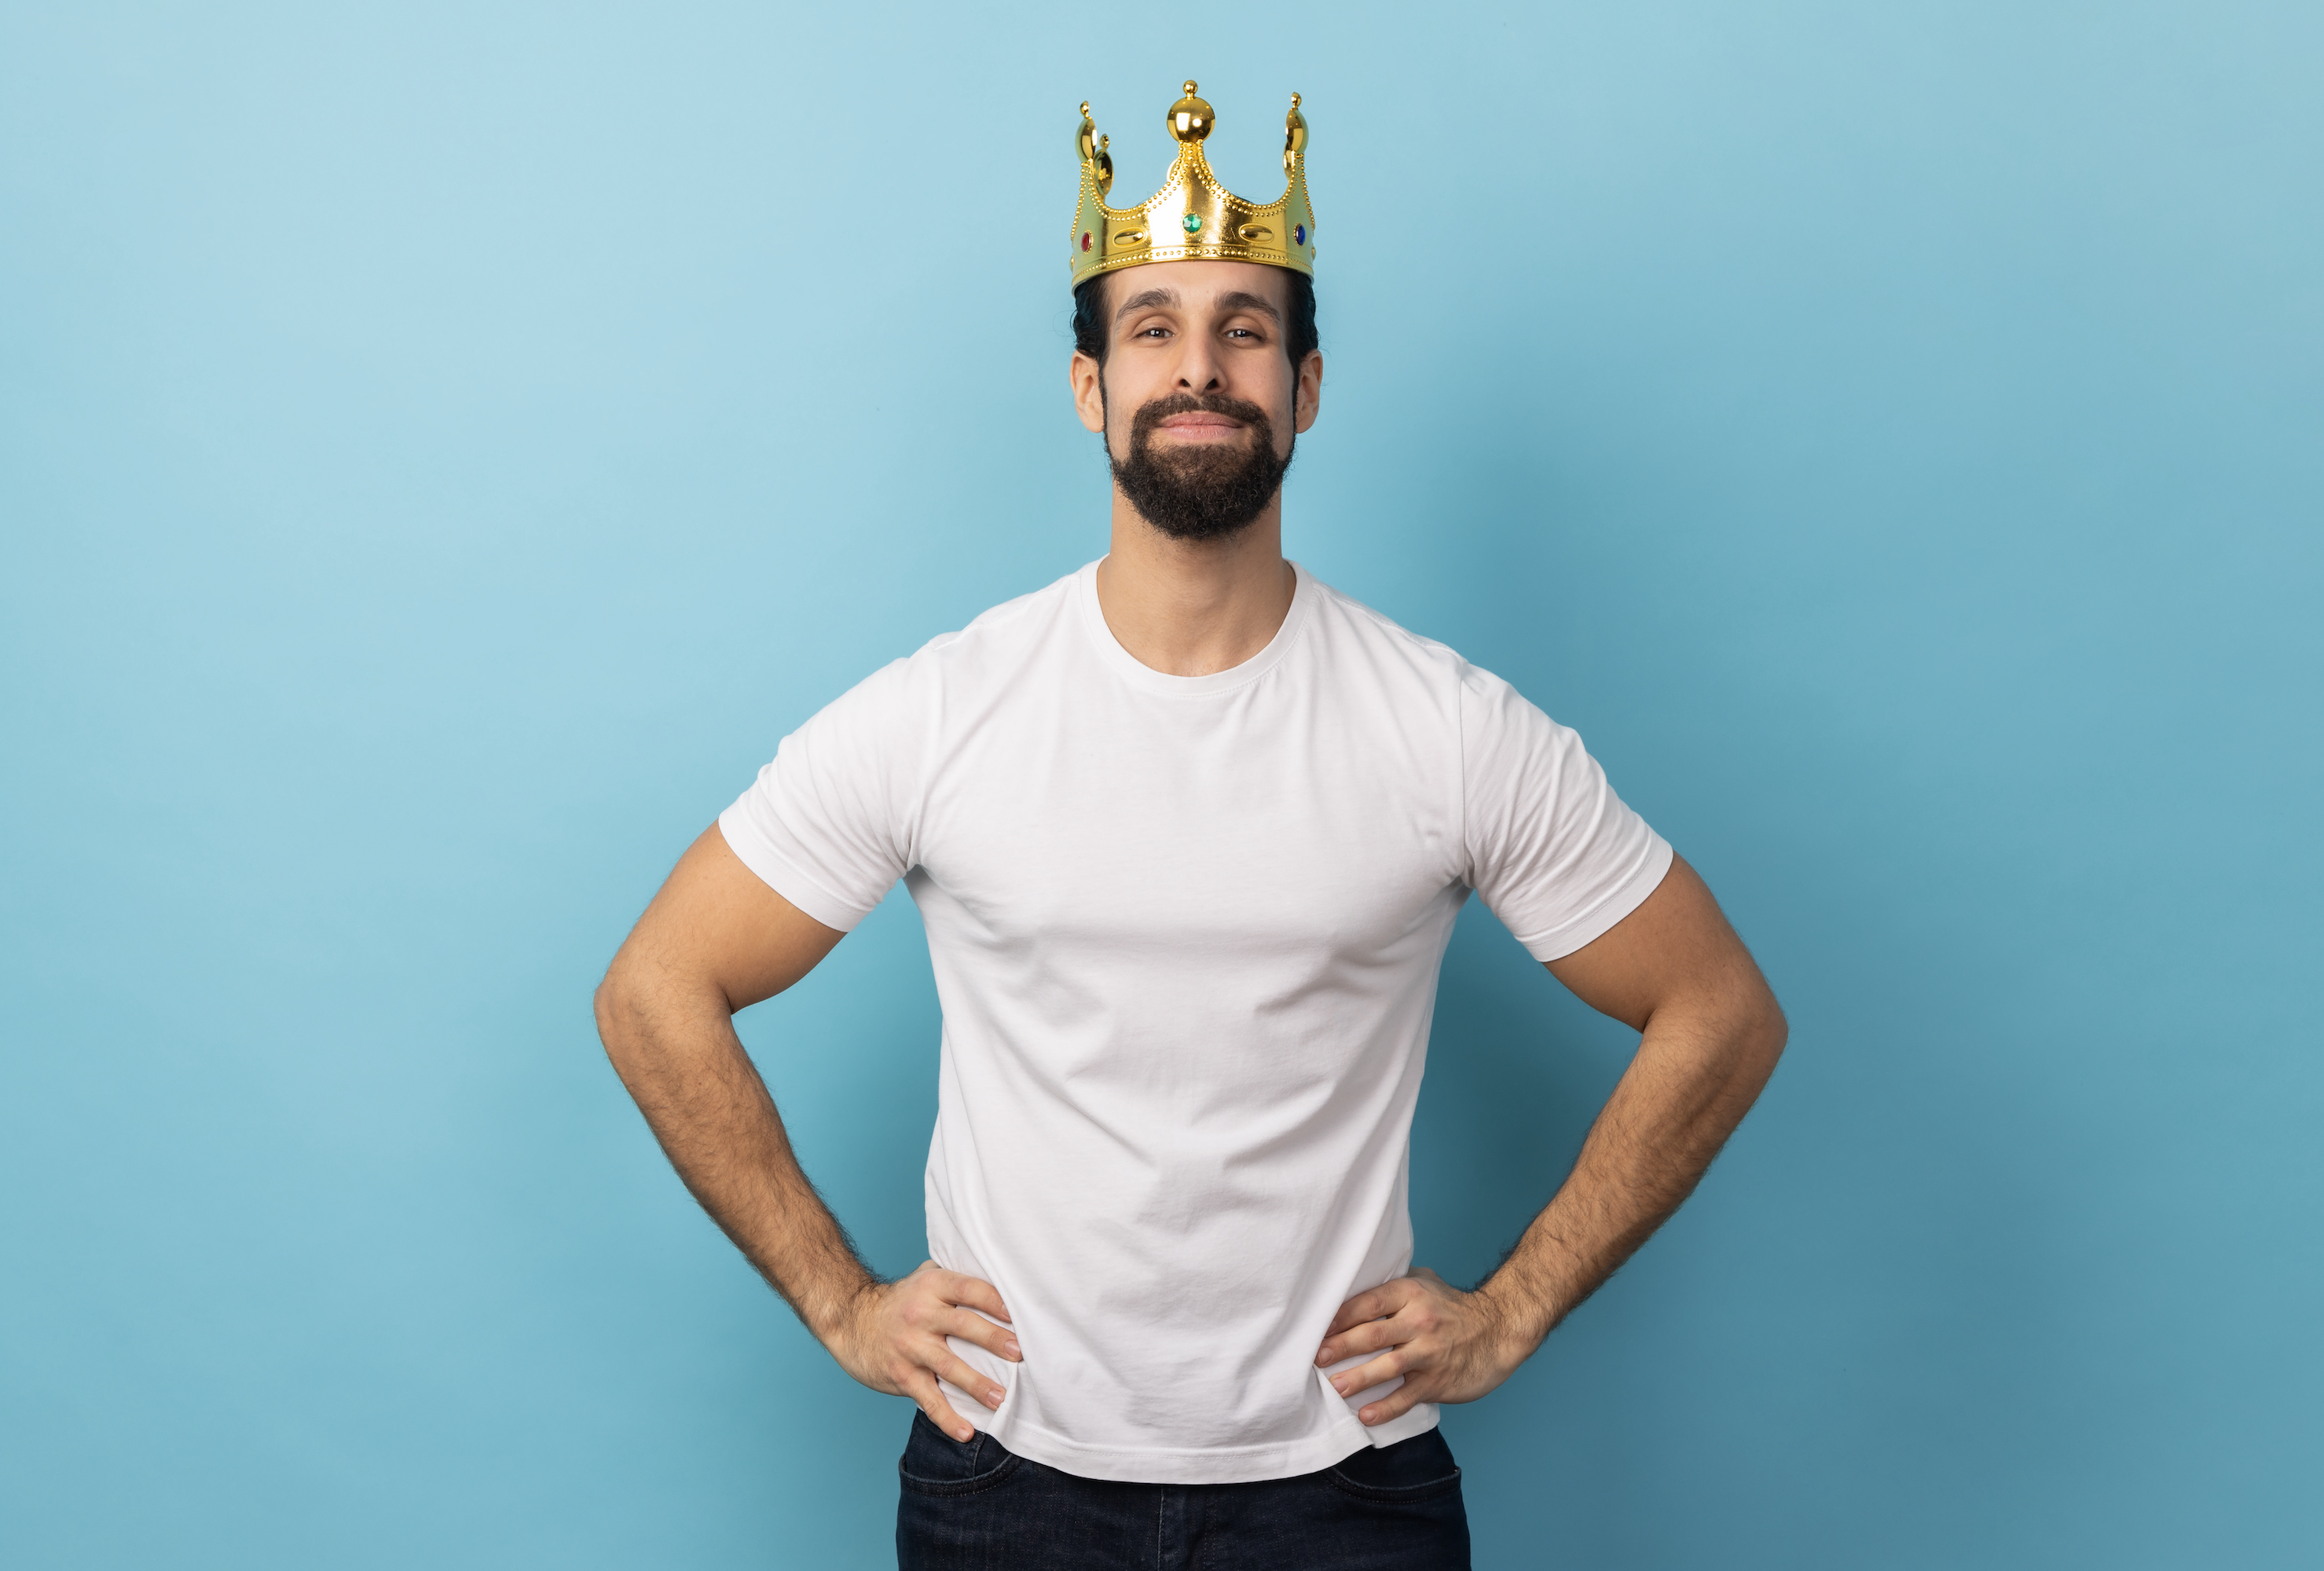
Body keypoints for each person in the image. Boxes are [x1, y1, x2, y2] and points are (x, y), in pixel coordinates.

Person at [593, 81, 1785, 1570]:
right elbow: (655, 991)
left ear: (1307, 384)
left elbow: (1720, 1011)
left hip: (1349, 1491)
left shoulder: (1448, 726)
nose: (1199, 367)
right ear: (1090, 387)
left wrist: (1514, 1305)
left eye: (1244, 329)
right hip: (1004, 1480)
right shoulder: (945, 710)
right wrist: (843, 1300)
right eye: (1150, 327)